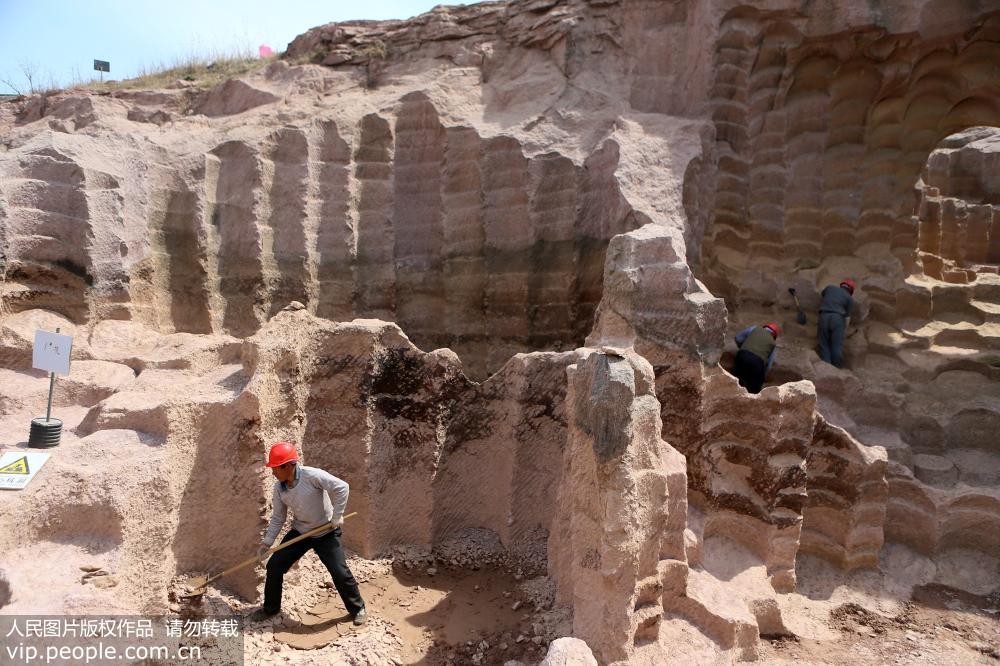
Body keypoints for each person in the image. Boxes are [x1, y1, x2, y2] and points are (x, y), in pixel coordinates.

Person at [249, 442, 367, 625]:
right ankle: (271, 608)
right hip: (300, 532)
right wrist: (267, 543)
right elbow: (278, 517)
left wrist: (337, 516)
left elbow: (342, 487)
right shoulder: (279, 488)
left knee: (340, 572)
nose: (273, 472)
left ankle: (358, 608)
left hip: (326, 532)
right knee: (274, 566)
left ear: (288, 465)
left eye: (275, 468)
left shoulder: (312, 475)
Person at [817, 279, 855, 368]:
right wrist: (844, 329)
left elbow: (823, 295)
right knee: (836, 347)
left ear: (841, 285)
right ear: (851, 290)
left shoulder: (829, 288)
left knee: (824, 344)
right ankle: (837, 370)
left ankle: (826, 369)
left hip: (823, 316)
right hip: (837, 319)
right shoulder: (849, 298)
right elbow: (847, 317)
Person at [732, 322, 780, 394]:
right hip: (757, 363)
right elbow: (769, 365)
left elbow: (737, 338)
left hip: (742, 356)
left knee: (736, 383)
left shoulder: (754, 328)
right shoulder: (773, 344)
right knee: (755, 391)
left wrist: (743, 348)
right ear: (774, 335)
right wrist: (762, 376)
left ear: (764, 327)